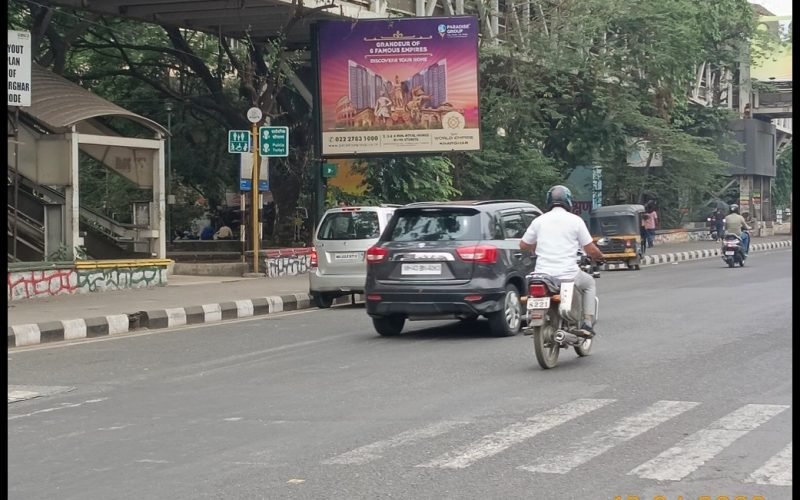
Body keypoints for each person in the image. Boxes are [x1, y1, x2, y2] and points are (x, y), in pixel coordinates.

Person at [520, 185, 605, 338]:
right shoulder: (576, 221)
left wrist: (535, 246)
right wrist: (599, 257)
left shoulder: (539, 221)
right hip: (568, 274)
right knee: (589, 283)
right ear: (568, 201)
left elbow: (523, 245)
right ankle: (587, 322)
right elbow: (590, 249)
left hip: (542, 275)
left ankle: (534, 319)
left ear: (548, 201)